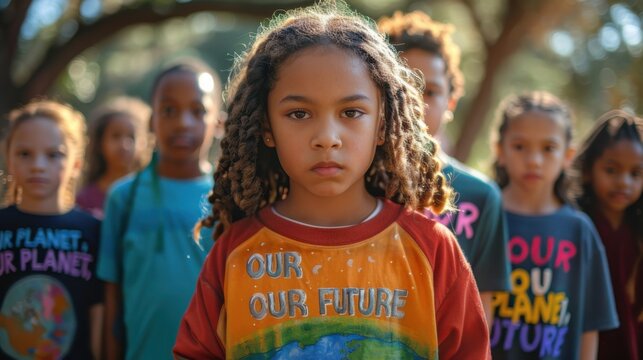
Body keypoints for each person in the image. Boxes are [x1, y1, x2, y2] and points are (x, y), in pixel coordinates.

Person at [174, 2, 490, 359]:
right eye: (299, 113)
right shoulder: (235, 256)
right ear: (266, 127)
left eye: (351, 112)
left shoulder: (432, 251)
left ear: (382, 125)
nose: (327, 137)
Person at [378, 10, 511, 326]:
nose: (415, 103)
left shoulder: (481, 196)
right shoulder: (353, 182)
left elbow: (482, 306)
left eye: (431, 92)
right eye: (403, 86)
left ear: (451, 102)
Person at [97, 59, 224, 360]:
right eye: (169, 110)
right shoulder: (123, 198)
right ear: (152, 120)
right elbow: (111, 297)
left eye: (198, 111)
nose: (183, 123)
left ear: (218, 122)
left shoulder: (228, 200)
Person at [490, 91, 618, 359]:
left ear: (567, 155)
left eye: (548, 148)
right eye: (520, 146)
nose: (534, 160)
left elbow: (590, 326)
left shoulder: (579, 230)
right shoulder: (483, 218)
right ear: (500, 150)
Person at [0, 100, 102, 359]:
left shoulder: (94, 231)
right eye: (25, 154)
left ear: (76, 164)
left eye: (53, 154)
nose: (38, 165)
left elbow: (99, 318)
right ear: (8, 158)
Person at [570, 110, 643, 360]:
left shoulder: (637, 233)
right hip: (581, 343)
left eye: (635, 174)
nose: (624, 182)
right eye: (611, 170)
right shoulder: (577, 225)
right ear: (589, 170)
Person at [77, 96, 152, 219]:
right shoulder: (85, 199)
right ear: (99, 143)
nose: (124, 145)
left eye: (131, 137)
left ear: (144, 144)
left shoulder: (150, 194)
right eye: (116, 136)